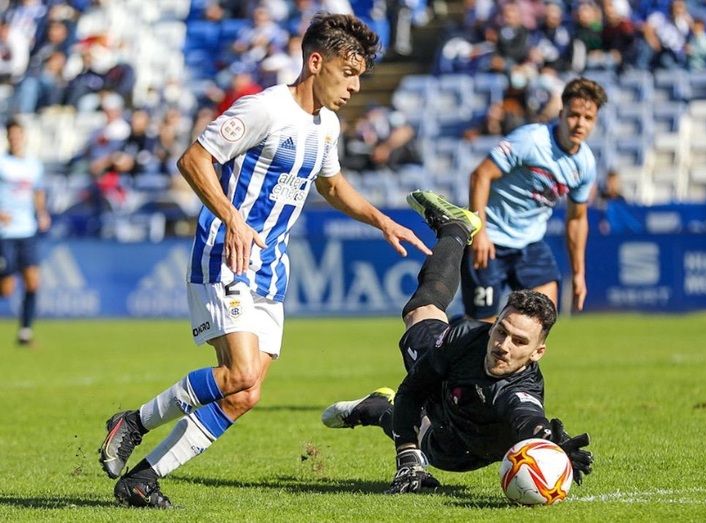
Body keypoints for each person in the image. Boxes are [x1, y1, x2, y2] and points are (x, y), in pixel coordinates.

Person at [97, 13, 430, 509]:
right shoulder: (263, 109)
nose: (356, 86)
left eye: (360, 75)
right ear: (316, 62)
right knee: (239, 374)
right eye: (348, 72)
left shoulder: (328, 126)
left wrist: (382, 220)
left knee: (244, 395)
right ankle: (134, 422)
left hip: (271, 266)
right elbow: (193, 160)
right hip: (227, 254)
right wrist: (231, 217)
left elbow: (332, 185)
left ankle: (142, 479)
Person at [322, 190, 593, 493]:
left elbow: (528, 419)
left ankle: (378, 407)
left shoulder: (519, 392)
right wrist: (407, 462)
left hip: (459, 448)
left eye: (519, 341)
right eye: (501, 330)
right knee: (419, 311)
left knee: (431, 445)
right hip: (446, 388)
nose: (503, 344)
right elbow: (413, 390)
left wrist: (550, 443)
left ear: (537, 353)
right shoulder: (464, 338)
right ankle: (456, 227)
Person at [461, 77, 607, 321]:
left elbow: (577, 220)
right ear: (561, 114)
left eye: (588, 118)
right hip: (490, 240)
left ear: (595, 122)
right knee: (480, 332)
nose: (579, 124)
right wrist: (479, 233)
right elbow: (480, 176)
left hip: (529, 244)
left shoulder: (585, 164)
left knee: (541, 319)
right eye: (573, 115)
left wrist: (579, 273)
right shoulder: (531, 140)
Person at [0, 119, 51, 346]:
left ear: (23, 137)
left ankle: (25, 332)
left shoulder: (33, 164)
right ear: (7, 138)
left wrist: (41, 213)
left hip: (26, 229)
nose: (15, 139)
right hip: (5, 231)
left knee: (32, 282)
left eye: (18, 135)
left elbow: (38, 190)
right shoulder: (2, 162)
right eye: (11, 135)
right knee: (7, 289)